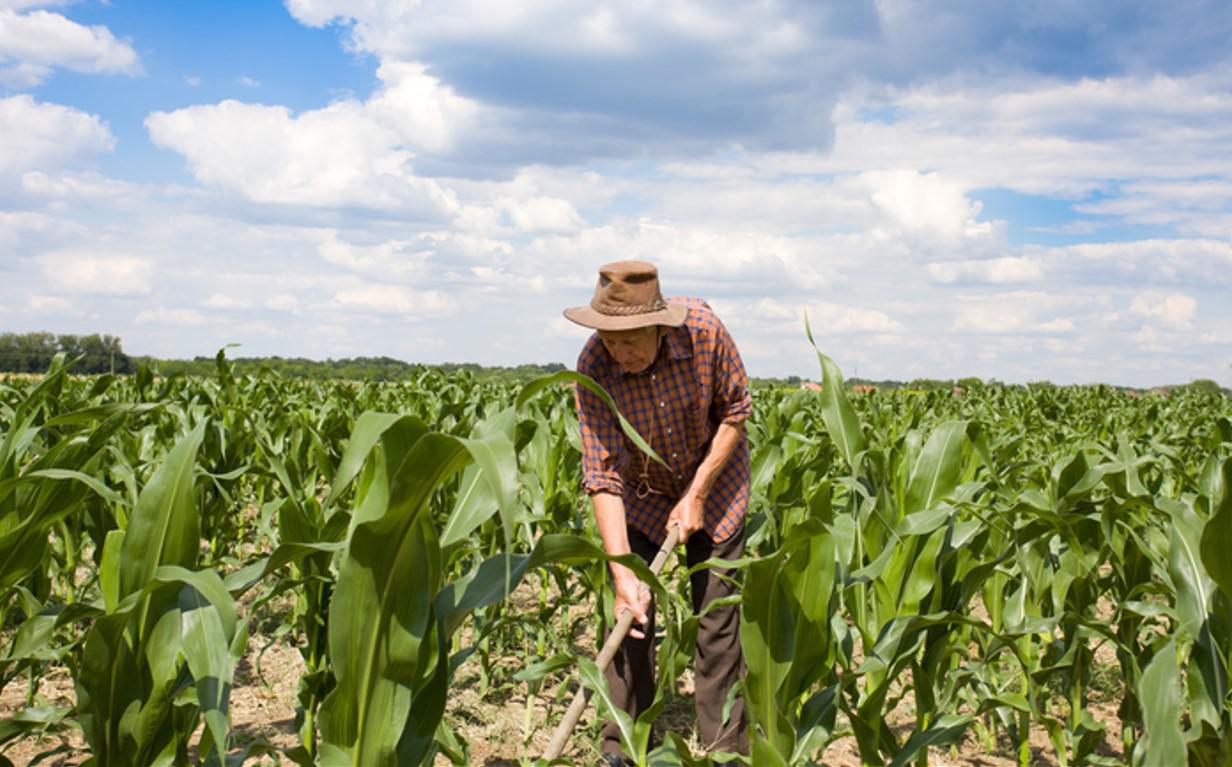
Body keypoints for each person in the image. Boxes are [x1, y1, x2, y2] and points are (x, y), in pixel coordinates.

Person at [563, 260, 751, 765]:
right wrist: (624, 572)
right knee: (631, 619)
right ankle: (619, 748)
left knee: (716, 623)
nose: (617, 352)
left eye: (629, 340)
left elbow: (735, 412)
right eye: (609, 338)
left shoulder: (704, 334)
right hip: (642, 499)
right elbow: (601, 475)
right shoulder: (594, 367)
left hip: (716, 486)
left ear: (658, 327)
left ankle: (725, 751)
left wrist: (697, 492)